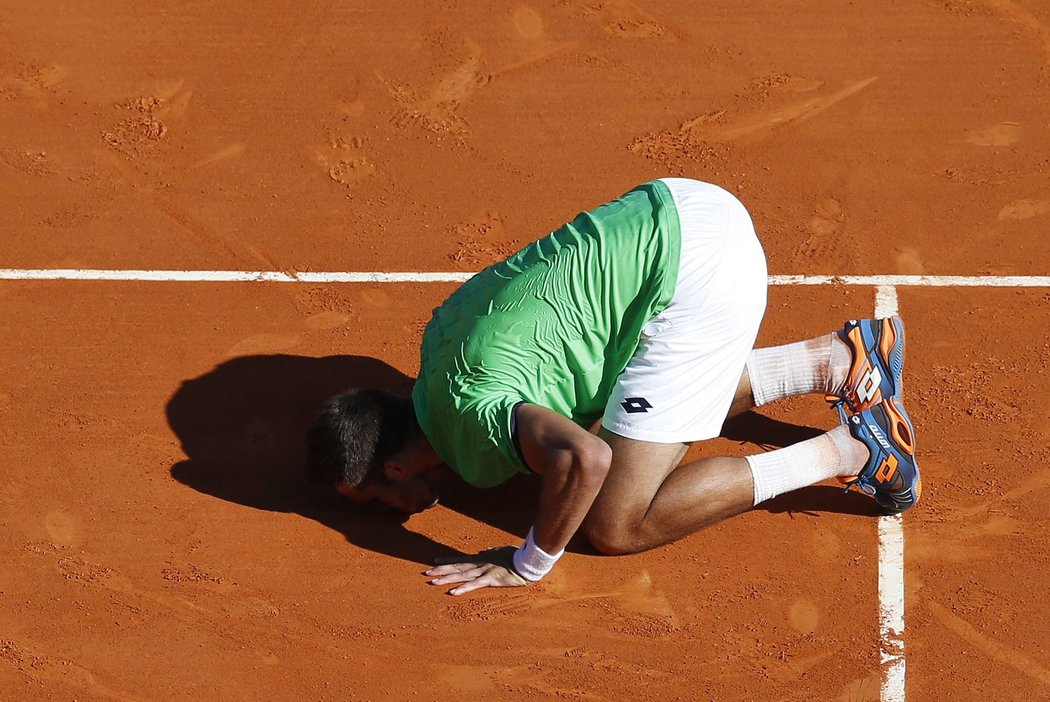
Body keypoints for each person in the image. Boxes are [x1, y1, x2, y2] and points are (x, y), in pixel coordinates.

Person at [306, 178, 920, 595]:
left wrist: (528, 564)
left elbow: (587, 456)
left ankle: (853, 450)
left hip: (696, 280)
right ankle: (834, 361)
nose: (385, 517)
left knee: (614, 521)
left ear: (392, 469)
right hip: (675, 205)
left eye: (370, 503)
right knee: (624, 414)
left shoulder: (473, 418)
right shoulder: (438, 347)